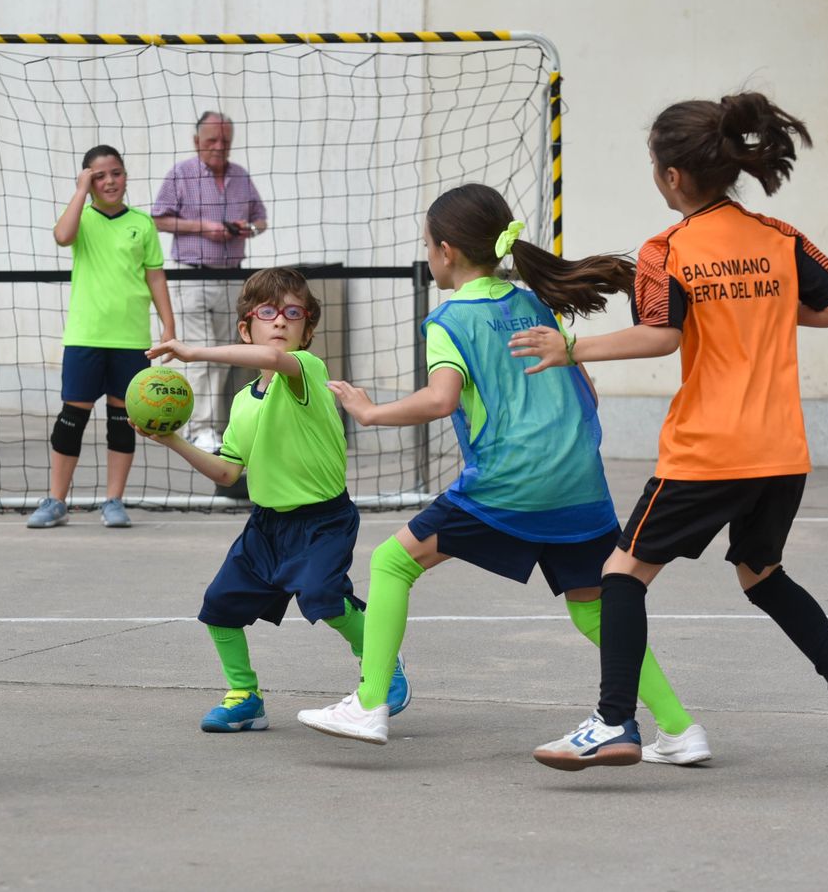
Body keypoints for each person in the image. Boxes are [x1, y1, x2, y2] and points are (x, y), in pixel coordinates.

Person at [520, 93, 828, 771]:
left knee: (621, 572)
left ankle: (614, 722)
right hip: (781, 451)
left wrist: (572, 349)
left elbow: (660, 336)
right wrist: (765, 310)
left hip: (709, 449)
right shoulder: (779, 237)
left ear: (671, 177)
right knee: (762, 574)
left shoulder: (669, 249)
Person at [295, 186, 707, 763]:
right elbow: (584, 389)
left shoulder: (449, 319)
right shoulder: (535, 303)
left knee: (392, 562)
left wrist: (368, 410)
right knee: (592, 604)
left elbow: (441, 400)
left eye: (427, 246)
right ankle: (680, 730)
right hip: (578, 480)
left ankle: (370, 703)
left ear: (446, 251)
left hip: (510, 482)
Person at [144, 267, 408, 733]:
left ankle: (380, 665)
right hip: (266, 526)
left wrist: (191, 350)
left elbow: (274, 357)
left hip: (323, 520)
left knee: (324, 596)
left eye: (293, 313)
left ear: (308, 330)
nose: (281, 321)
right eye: (268, 312)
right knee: (219, 606)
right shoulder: (245, 401)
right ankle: (245, 696)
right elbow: (228, 471)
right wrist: (173, 441)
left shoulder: (307, 371)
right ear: (246, 326)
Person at [28, 145, 175, 530]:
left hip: (130, 339)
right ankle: (56, 500)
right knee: (71, 417)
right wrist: (80, 193)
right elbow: (62, 236)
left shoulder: (142, 224)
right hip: (86, 336)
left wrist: (169, 326)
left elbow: (156, 277)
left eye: (116, 173)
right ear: (87, 180)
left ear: (125, 176)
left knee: (122, 419)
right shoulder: (82, 219)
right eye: (99, 175)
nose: (109, 181)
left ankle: (114, 500)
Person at [152, 112, 269, 452]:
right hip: (192, 273)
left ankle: (210, 426)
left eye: (225, 142)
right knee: (200, 352)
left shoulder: (241, 176)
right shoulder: (181, 174)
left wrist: (249, 228)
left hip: (232, 276)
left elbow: (261, 219)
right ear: (196, 142)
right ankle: (200, 428)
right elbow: (159, 218)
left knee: (220, 355)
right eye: (212, 141)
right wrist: (204, 227)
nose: (219, 148)